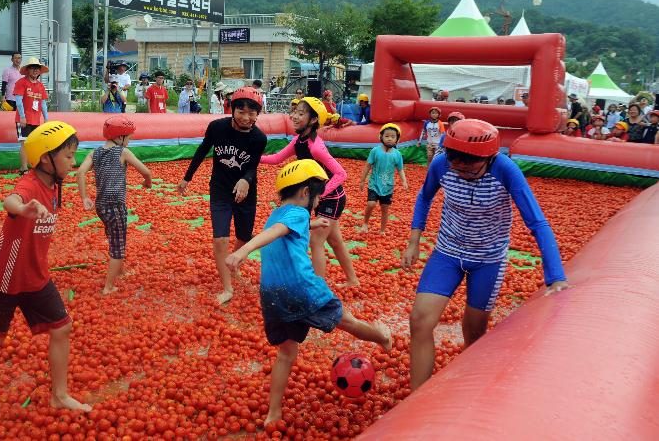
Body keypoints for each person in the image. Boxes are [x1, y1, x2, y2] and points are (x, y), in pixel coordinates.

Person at [402, 119, 569, 391]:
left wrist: (556, 276)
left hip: (488, 260)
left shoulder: (506, 170)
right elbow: (424, 197)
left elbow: (537, 222)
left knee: (474, 330)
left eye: (470, 167)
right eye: (456, 164)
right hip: (447, 252)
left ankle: (468, 391)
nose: (462, 171)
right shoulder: (443, 164)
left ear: (489, 157)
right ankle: (415, 398)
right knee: (420, 320)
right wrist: (414, 240)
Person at [225, 159, 392, 426]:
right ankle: (383, 337)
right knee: (348, 323)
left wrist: (312, 226)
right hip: (304, 289)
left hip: (274, 294)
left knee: (286, 353)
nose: (317, 204)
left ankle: (274, 412)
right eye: (317, 197)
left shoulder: (278, 213)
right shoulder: (299, 214)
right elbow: (280, 231)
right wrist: (243, 251)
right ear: (305, 193)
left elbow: (278, 230)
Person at [0, 121, 90, 415]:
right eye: (68, 156)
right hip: (7, 275)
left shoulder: (54, 184)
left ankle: (59, 395)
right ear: (46, 158)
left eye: (74, 156)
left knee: (62, 329)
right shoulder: (30, 184)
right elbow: (11, 198)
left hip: (36, 272)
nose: (73, 162)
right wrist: (21, 209)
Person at [178, 87, 267, 304]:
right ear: (232, 109)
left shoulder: (259, 138)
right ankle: (227, 287)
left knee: (244, 237)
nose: (246, 117)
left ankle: (233, 264)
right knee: (220, 239)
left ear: (258, 114)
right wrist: (187, 177)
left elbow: (253, 165)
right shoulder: (216, 128)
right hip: (219, 189)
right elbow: (202, 150)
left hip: (246, 192)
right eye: (241, 111)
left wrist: (246, 180)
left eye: (251, 113)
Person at [261, 97, 359, 287]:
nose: (294, 116)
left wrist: (320, 196)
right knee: (335, 241)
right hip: (319, 198)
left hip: (332, 198)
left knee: (316, 242)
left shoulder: (316, 146)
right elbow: (276, 158)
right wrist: (254, 158)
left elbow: (341, 174)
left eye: (300, 113)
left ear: (313, 120)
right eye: (295, 112)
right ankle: (353, 280)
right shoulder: (299, 140)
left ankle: (316, 289)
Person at [78, 116, 153, 294]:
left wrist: (84, 197)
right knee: (118, 245)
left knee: (114, 237)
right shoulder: (122, 152)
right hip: (116, 205)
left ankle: (119, 271)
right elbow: (146, 171)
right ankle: (108, 287)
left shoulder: (94, 153)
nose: (131, 139)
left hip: (101, 206)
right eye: (129, 136)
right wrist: (147, 181)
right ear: (120, 137)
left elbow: (80, 173)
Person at [358, 123, 408, 235]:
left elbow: (400, 169)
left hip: (388, 187)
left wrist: (404, 181)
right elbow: (367, 166)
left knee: (385, 209)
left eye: (393, 136)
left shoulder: (397, 154)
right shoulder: (375, 151)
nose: (390, 138)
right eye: (387, 136)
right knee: (371, 204)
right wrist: (362, 180)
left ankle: (382, 230)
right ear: (381, 137)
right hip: (374, 184)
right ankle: (365, 223)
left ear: (397, 139)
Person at [14, 58, 49, 174]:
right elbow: (18, 102)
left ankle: (34, 167)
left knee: (34, 144)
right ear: (28, 70)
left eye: (37, 68)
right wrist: (23, 117)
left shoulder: (40, 85)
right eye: (33, 68)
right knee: (24, 143)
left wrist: (46, 119)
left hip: (36, 120)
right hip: (23, 119)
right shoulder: (21, 82)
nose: (35, 70)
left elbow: (43, 103)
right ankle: (24, 168)